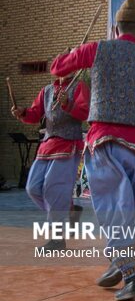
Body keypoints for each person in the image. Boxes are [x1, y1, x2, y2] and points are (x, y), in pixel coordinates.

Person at [51, 0, 135, 301]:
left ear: (115, 28)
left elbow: (58, 68)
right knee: (124, 207)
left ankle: (130, 275)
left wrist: (67, 55)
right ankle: (116, 263)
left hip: (105, 141)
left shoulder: (96, 49)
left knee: (111, 209)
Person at [11, 73, 89, 250]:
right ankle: (69, 211)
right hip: (48, 144)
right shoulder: (47, 90)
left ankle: (57, 237)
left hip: (69, 143)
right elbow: (34, 114)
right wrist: (22, 112)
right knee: (32, 188)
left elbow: (85, 113)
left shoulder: (79, 87)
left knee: (53, 190)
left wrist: (67, 104)